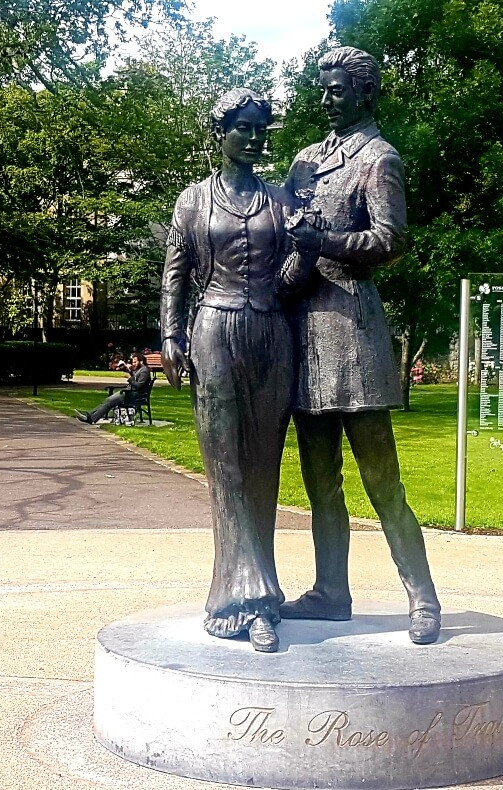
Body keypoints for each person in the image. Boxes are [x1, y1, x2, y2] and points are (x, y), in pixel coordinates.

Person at [281, 47, 442, 644]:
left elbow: (390, 241)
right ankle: (330, 592)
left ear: (365, 93)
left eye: (339, 89)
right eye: (324, 88)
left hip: (352, 330)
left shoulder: (379, 159)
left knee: (381, 478)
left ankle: (422, 596)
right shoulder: (304, 161)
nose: (328, 99)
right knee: (319, 479)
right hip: (306, 332)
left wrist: (326, 238)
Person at [159, 88, 314, 653]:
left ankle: (260, 594)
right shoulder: (193, 201)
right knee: (226, 467)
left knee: (263, 468)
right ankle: (241, 602)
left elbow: (292, 282)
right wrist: (171, 334)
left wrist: (307, 251)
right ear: (220, 132)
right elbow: (175, 273)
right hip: (215, 329)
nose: (253, 137)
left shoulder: (280, 201)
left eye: (261, 129)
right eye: (243, 127)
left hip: (271, 334)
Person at [76, 352, 150, 424]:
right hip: (130, 393)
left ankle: (90, 417)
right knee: (108, 401)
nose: (133, 364)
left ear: (141, 361)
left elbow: (138, 386)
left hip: (133, 395)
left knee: (109, 401)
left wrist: (130, 378)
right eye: (133, 362)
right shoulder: (140, 370)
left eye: (135, 362)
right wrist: (129, 371)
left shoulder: (144, 371)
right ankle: (89, 416)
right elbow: (135, 380)